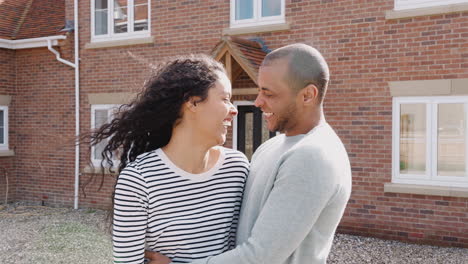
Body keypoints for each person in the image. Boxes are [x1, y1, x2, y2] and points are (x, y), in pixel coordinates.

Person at [146, 43, 352, 264]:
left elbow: (261, 257)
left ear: (307, 95)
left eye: (268, 93)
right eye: (259, 90)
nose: (258, 102)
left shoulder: (313, 156)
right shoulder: (272, 146)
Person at [90, 55, 249, 264]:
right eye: (225, 98)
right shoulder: (138, 180)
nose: (234, 110)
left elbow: (246, 253)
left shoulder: (237, 168)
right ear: (193, 102)